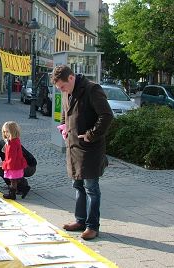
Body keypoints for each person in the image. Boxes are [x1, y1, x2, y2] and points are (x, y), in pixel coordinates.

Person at [51, 65, 113, 240]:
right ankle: (80, 220)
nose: (61, 90)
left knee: (91, 188)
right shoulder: (66, 91)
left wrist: (90, 135)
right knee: (77, 185)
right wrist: (63, 127)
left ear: (71, 78)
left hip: (90, 148)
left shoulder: (92, 89)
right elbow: (66, 112)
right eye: (59, 88)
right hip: (73, 147)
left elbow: (106, 116)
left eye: (62, 86)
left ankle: (92, 226)